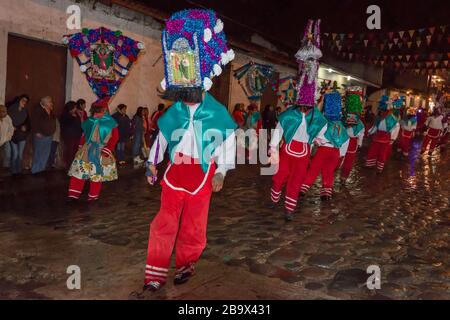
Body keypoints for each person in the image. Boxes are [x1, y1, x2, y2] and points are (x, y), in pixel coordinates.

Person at [143, 9, 237, 292]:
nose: (186, 95)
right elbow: (162, 139)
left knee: (194, 226)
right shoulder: (175, 111)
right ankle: (154, 274)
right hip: (174, 173)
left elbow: (227, 143)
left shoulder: (218, 113)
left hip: (203, 172)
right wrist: (151, 164)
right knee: (164, 222)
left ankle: (186, 264)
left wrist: (221, 172)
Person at [268, 19, 327, 222]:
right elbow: (278, 131)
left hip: (303, 153)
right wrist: (273, 149)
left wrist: (319, 139)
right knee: (279, 177)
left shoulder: (315, 116)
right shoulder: (289, 114)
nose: (304, 109)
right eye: (302, 105)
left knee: (296, 180)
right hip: (287, 150)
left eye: (307, 106)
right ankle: (275, 194)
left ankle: (289, 209)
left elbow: (321, 128)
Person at [300, 91, 349, 200]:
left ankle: (304, 188)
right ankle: (326, 193)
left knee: (314, 169)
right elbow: (345, 140)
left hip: (324, 149)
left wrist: (315, 141)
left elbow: (315, 117)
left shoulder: (323, 122)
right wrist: (342, 154)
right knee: (329, 172)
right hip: (335, 151)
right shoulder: (341, 125)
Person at [67, 100, 118, 202]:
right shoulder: (90, 121)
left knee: (96, 174)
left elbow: (115, 137)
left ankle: (93, 196)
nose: (99, 112)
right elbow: (85, 135)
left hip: (101, 151)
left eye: (101, 110)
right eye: (97, 110)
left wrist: (108, 149)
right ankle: (73, 194)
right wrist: (80, 147)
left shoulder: (110, 122)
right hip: (87, 149)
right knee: (79, 172)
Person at [365, 96, 400, 173]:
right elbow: (375, 126)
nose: (382, 112)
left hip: (386, 138)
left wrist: (393, 138)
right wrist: (370, 132)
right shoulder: (378, 117)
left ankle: (379, 168)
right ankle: (370, 164)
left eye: (384, 110)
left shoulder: (392, 119)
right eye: (382, 110)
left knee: (382, 154)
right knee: (372, 151)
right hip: (377, 137)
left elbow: (396, 128)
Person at [340, 94, 365, 182]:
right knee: (347, 160)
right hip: (349, 141)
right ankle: (343, 177)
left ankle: (339, 175)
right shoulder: (359, 123)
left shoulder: (342, 119)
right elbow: (361, 133)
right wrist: (359, 144)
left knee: (341, 158)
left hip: (343, 140)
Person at [30, 96, 56, 174]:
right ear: (45, 102)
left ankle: (41, 170)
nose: (51, 103)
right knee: (38, 153)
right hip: (40, 135)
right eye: (50, 101)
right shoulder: (38, 110)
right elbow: (34, 122)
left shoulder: (50, 110)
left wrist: (53, 131)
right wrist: (37, 132)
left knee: (45, 153)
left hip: (49, 135)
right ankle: (35, 171)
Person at [7, 94, 30, 175]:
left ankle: (18, 171)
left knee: (20, 155)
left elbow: (28, 123)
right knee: (15, 154)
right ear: (19, 100)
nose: (24, 102)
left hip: (22, 135)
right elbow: (7, 121)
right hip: (13, 135)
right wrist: (12, 126)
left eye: (26, 101)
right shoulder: (11, 109)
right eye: (23, 100)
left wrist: (26, 127)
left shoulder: (25, 111)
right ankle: (13, 171)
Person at [60, 101, 83, 168]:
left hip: (76, 135)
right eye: (74, 107)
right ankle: (68, 166)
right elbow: (66, 125)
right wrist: (73, 117)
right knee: (69, 151)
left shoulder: (76, 114)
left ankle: (74, 165)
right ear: (70, 108)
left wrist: (80, 116)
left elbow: (80, 124)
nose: (76, 109)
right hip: (69, 136)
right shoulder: (65, 115)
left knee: (75, 151)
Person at [0, 105, 14, 170]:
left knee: (7, 154)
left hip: (5, 140)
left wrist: (8, 137)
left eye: (6, 111)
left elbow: (11, 128)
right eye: (3, 111)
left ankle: (4, 169)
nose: (5, 113)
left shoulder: (7, 118)